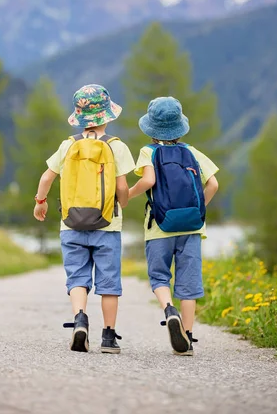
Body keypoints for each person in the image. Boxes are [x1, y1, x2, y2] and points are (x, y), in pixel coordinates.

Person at [33, 84, 135, 354]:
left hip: (71, 224)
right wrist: (121, 203)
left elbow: (46, 177)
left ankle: (80, 319)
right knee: (109, 283)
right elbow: (123, 188)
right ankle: (109, 337)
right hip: (108, 225)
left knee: (77, 277)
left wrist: (40, 202)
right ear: (108, 116)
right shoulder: (116, 146)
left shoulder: (68, 144)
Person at [129, 96, 219, 356]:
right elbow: (213, 184)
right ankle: (188, 338)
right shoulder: (191, 152)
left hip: (160, 226)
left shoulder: (150, 151)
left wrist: (127, 195)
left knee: (159, 276)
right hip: (192, 226)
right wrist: (200, 208)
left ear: (151, 128)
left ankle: (169, 310)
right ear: (180, 127)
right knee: (189, 283)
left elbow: (148, 181)